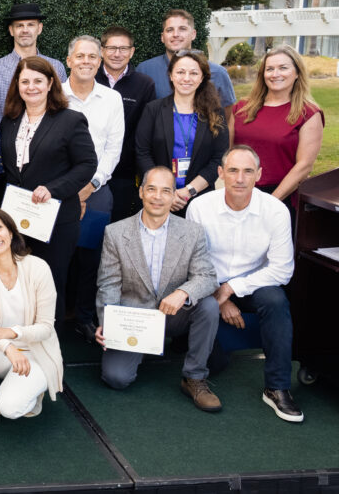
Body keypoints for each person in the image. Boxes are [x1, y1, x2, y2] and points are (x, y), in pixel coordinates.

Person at [186, 146, 304, 423]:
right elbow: (194, 263)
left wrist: (232, 289)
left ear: (259, 175)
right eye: (233, 171)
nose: (240, 178)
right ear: (220, 173)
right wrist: (222, 296)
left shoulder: (275, 210)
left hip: (255, 285)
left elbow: (282, 269)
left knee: (276, 301)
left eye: (248, 171)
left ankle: (277, 387)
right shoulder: (200, 207)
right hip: (209, 284)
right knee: (215, 363)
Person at [95, 166, 222, 412]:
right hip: (134, 319)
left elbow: (207, 277)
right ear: (141, 192)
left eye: (165, 191)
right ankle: (142, 349)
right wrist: (107, 322)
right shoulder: (116, 233)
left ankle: (194, 377)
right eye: (151, 189)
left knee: (208, 305)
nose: (157, 196)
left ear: (174, 196)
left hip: (173, 314)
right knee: (117, 378)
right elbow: (108, 284)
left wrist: (182, 293)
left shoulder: (192, 232)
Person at [0, 56, 97, 323]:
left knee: (49, 285)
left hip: (55, 220)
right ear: (17, 85)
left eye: (38, 81)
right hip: (16, 220)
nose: (31, 87)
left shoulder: (70, 120)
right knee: (17, 285)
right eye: (25, 81)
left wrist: (53, 189)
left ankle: (50, 349)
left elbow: (88, 164)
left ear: (51, 83)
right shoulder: (9, 121)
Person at [0, 207, 63, 428]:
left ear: (10, 231)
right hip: (2, 350)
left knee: (9, 408)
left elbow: (46, 327)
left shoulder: (38, 267)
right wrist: (8, 346)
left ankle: (34, 391)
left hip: (36, 353)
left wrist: (12, 333)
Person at [61, 35, 124, 342]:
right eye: (80, 56)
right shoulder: (54, 96)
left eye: (92, 57)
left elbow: (113, 149)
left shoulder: (111, 99)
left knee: (91, 258)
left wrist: (89, 187)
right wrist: (69, 190)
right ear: (69, 60)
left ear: (99, 63)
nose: (85, 61)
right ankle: (54, 317)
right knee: (57, 255)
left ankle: (84, 317)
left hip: (96, 188)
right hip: (58, 190)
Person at [135, 50, 228, 214]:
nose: (186, 78)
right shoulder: (153, 110)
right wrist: (164, 191)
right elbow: (142, 152)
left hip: (200, 199)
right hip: (158, 200)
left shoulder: (215, 113)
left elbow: (218, 158)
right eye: (180, 72)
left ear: (202, 78)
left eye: (193, 73)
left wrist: (189, 191)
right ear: (171, 75)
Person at [231, 45, 324, 209]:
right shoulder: (241, 108)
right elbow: (228, 151)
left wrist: (270, 203)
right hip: (237, 192)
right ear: (263, 74)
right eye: (270, 69)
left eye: (283, 68)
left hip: (280, 198)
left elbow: (304, 166)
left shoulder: (308, 114)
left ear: (297, 73)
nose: (275, 74)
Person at [94, 26, 156, 221]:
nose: (117, 54)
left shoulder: (144, 84)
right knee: (90, 228)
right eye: (111, 48)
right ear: (102, 50)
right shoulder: (89, 78)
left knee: (119, 222)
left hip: (124, 171)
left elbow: (145, 130)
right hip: (89, 168)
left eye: (123, 48)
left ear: (132, 51)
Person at [0, 2, 68, 133]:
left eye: (31, 25)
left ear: (39, 28)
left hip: (47, 145)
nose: (25, 30)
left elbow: (61, 109)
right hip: (5, 147)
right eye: (19, 25)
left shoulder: (56, 67)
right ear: (11, 30)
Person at [136, 9, 236, 118]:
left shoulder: (218, 73)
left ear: (193, 34)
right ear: (162, 37)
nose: (175, 34)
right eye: (169, 30)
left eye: (182, 29)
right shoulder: (144, 70)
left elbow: (226, 119)